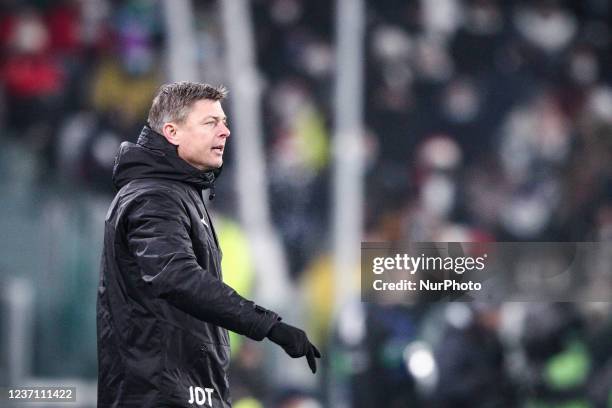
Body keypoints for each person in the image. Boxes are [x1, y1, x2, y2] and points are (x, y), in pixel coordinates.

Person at [96, 81, 320, 407]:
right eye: (211, 123)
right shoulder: (153, 196)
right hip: (158, 394)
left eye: (225, 122)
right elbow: (175, 276)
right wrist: (267, 325)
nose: (225, 132)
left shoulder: (181, 195)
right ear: (172, 132)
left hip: (188, 387)